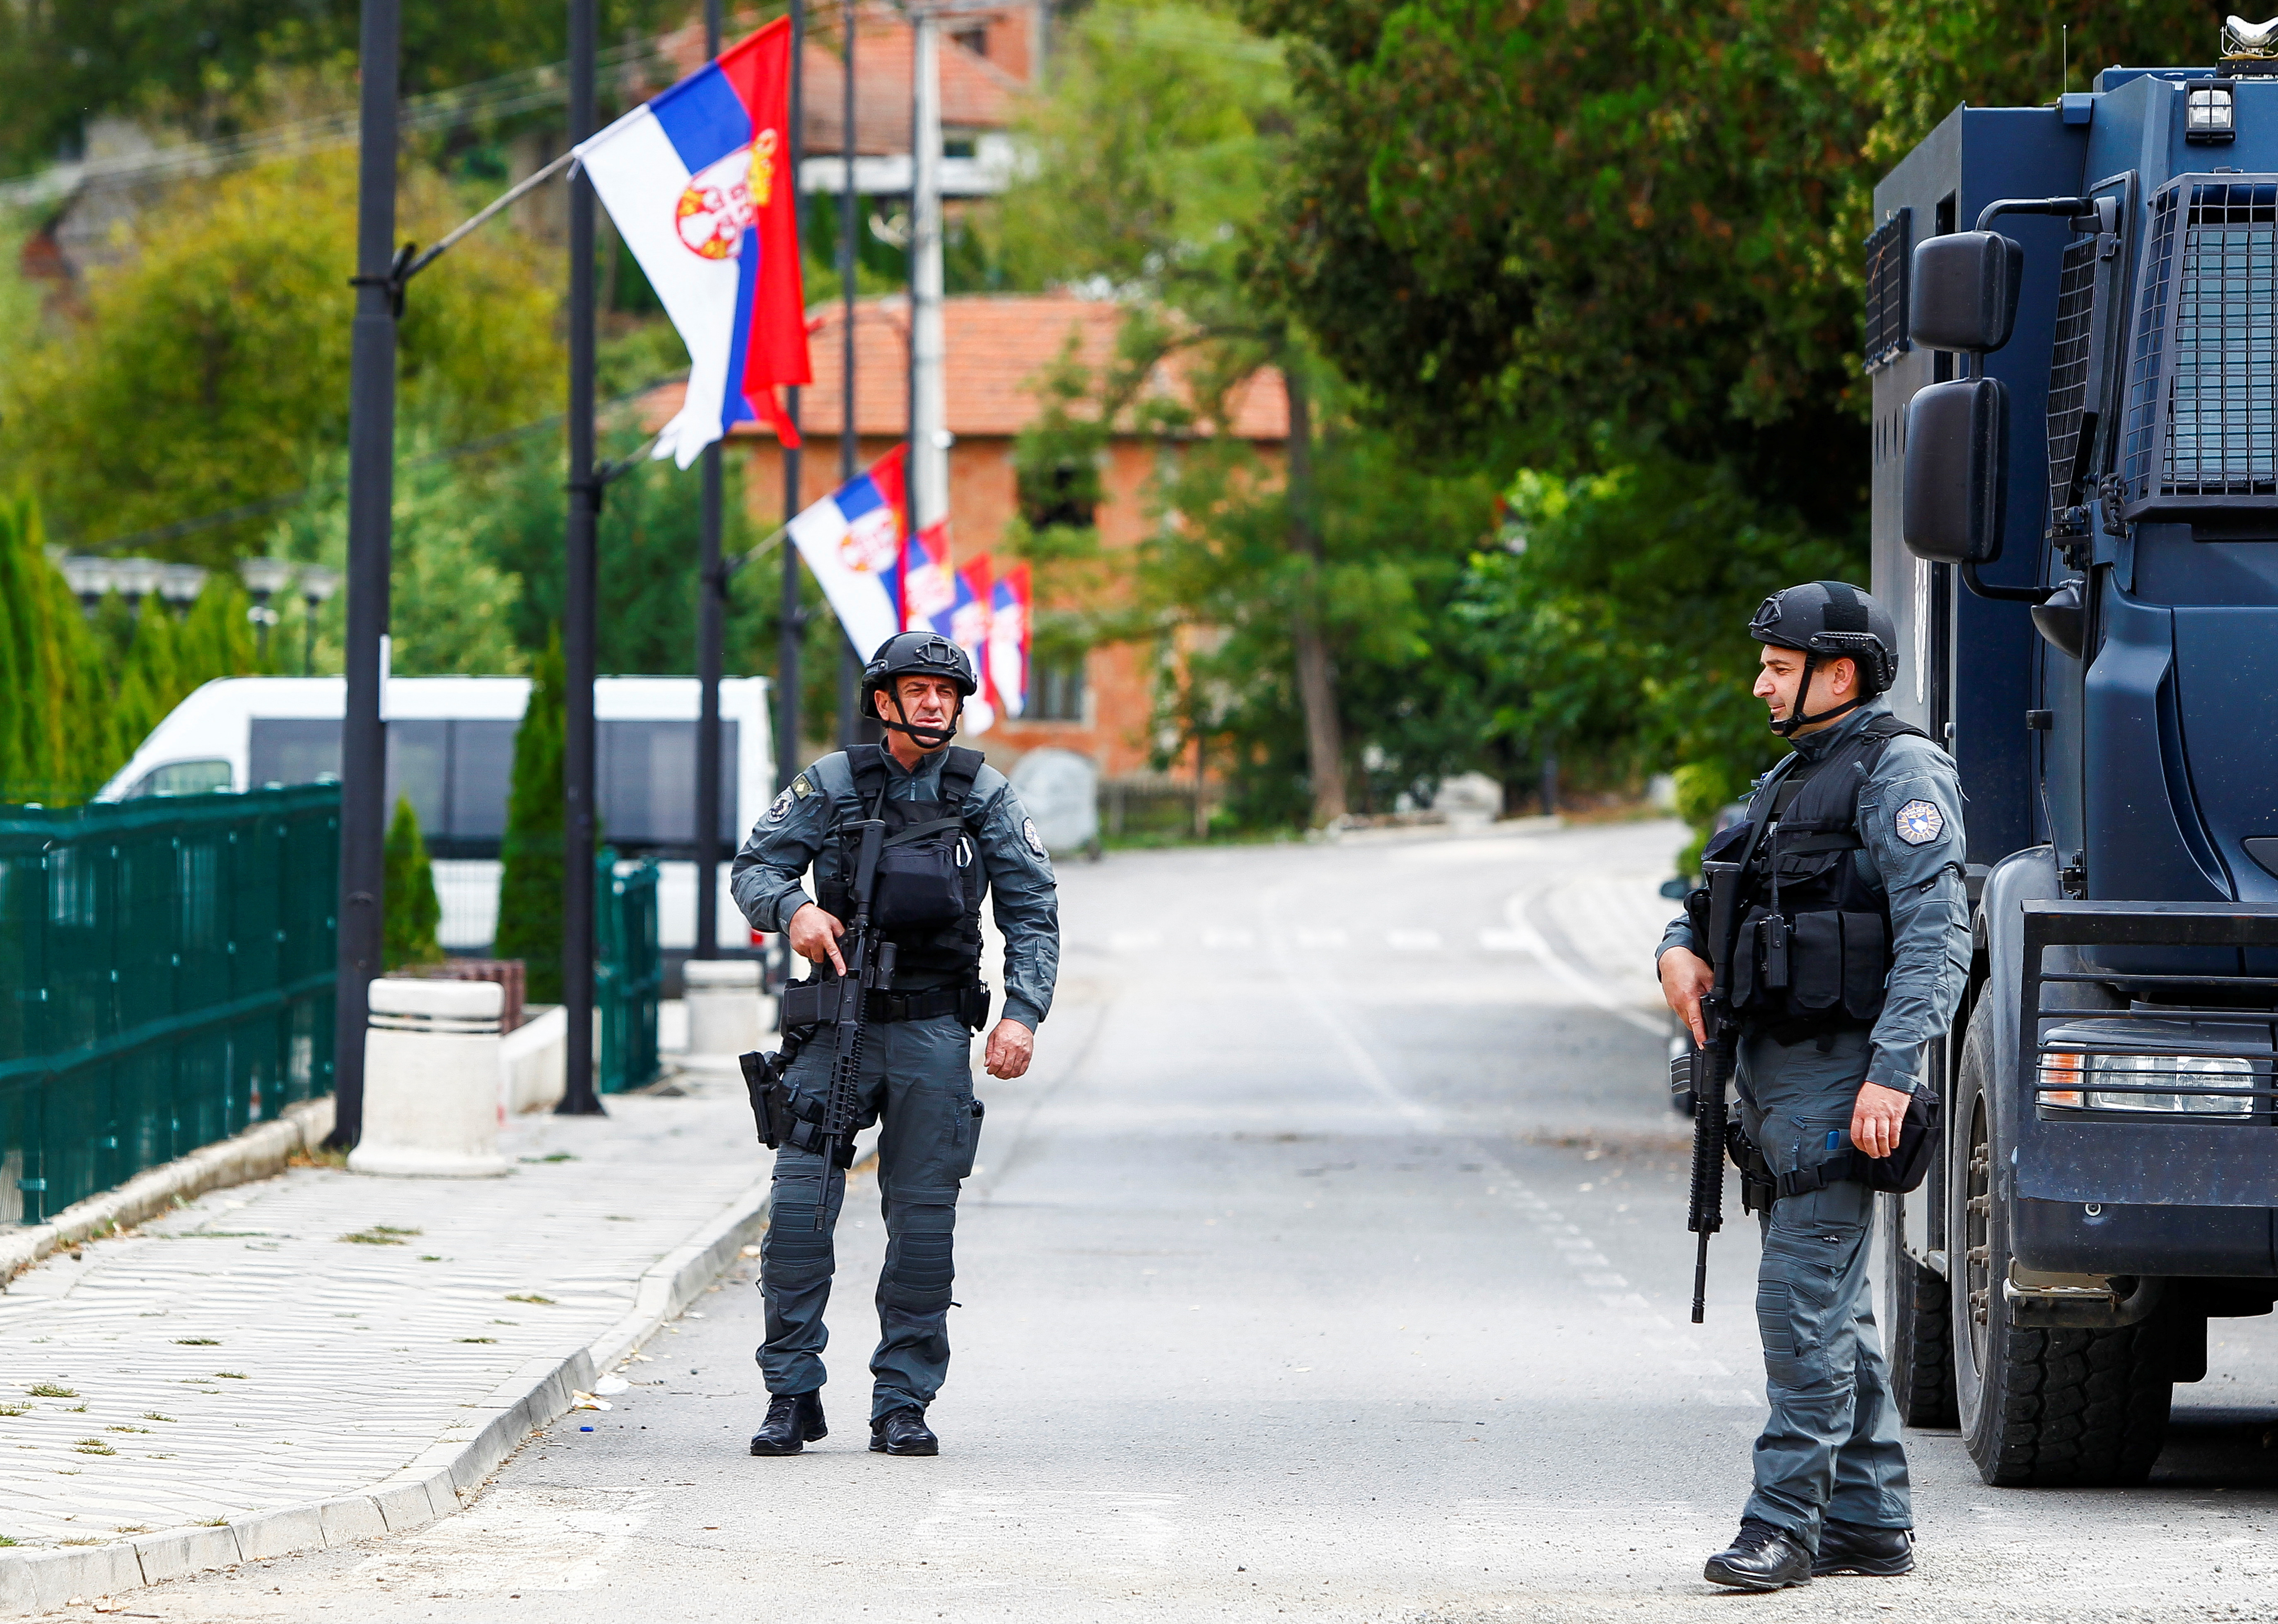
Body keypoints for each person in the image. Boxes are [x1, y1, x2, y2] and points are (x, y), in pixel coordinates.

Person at [1655, 581, 1968, 1590]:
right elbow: (1712, 899)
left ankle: (1782, 1521)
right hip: (1780, 1085)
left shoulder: (1895, 771)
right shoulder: (1791, 776)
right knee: (1834, 1309)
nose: (1758, 685)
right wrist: (1675, 950)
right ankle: (1870, 1522)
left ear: (1839, 673)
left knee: (1798, 1308)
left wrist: (1890, 1073)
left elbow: (1936, 934)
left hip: (1839, 1083)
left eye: (1776, 668)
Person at [730, 631, 1059, 1457]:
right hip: (832, 1025)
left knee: (922, 1225)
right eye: (916, 690)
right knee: (800, 1210)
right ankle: (790, 1394)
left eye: (946, 693)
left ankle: (901, 1402)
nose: (933, 703)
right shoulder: (831, 783)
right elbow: (755, 867)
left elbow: (1030, 904)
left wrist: (1020, 1013)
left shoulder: (980, 791)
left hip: (931, 1031)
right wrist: (794, 911)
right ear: (884, 701)